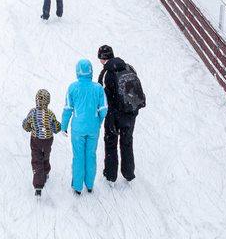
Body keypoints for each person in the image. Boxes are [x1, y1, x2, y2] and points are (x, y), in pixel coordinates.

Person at [97, 44, 146, 184]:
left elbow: (103, 97)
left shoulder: (106, 73)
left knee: (111, 143)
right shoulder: (129, 67)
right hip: (131, 112)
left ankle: (110, 175)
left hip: (114, 114)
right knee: (127, 142)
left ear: (101, 58)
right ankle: (129, 173)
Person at [62, 59, 108, 195]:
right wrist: (97, 122)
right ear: (91, 71)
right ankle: (89, 184)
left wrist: (63, 125)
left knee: (78, 156)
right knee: (91, 155)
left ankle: (77, 186)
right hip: (93, 128)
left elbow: (68, 108)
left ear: (78, 71)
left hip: (78, 129)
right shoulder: (98, 88)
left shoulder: (73, 88)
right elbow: (104, 109)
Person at [22, 89, 62, 196]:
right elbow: (56, 128)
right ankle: (46, 171)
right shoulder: (50, 114)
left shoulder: (32, 112)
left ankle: (38, 185)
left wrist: (29, 127)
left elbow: (26, 125)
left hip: (36, 140)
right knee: (46, 155)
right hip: (48, 140)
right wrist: (57, 126)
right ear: (48, 101)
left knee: (36, 159)